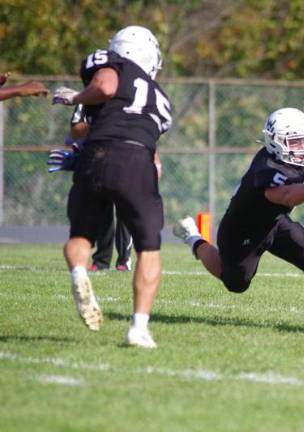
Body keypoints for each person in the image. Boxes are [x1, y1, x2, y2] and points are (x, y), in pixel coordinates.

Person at [173, 107, 304, 332]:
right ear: (275, 143)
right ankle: (193, 237)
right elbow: (283, 195)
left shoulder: (300, 156)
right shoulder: (267, 168)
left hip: (276, 222)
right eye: (296, 142)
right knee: (235, 283)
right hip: (243, 230)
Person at [51, 25, 172, 348]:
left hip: (96, 153)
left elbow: (103, 88)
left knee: (79, 237)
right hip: (136, 159)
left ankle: (79, 272)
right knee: (149, 248)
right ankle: (139, 327)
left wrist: (75, 97)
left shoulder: (107, 61)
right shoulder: (161, 98)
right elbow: (111, 91)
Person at [48, 104, 136, 272]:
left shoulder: (125, 97)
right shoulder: (86, 100)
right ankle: (101, 260)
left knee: (124, 210)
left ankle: (124, 260)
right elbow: (76, 129)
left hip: (123, 159)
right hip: (95, 161)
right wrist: (76, 159)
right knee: (102, 210)